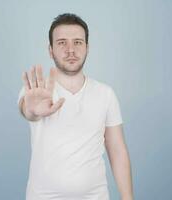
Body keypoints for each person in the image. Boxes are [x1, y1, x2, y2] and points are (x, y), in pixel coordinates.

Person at [17, 13, 133, 200]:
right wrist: (31, 110)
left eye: (77, 42)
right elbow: (27, 110)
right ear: (50, 50)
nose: (70, 49)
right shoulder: (35, 91)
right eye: (62, 42)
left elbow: (117, 150)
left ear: (87, 48)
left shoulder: (106, 94)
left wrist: (128, 198)